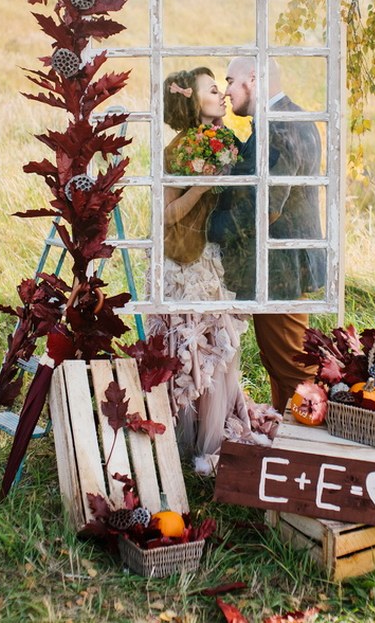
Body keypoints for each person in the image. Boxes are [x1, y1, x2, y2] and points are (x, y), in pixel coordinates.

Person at [147, 66, 279, 472]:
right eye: (211, 89)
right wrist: (203, 184)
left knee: (219, 350)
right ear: (191, 100)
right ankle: (186, 439)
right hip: (183, 264)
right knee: (188, 352)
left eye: (221, 87)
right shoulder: (175, 151)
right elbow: (166, 215)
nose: (222, 93)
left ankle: (216, 434)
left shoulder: (226, 142)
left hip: (213, 261)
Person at [208, 56, 325, 413]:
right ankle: (289, 443)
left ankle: (320, 448)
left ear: (253, 78)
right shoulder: (292, 119)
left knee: (293, 370)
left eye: (230, 81)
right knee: (281, 366)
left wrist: (207, 230)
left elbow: (265, 207)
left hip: (279, 269)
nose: (226, 91)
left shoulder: (277, 128)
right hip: (285, 263)